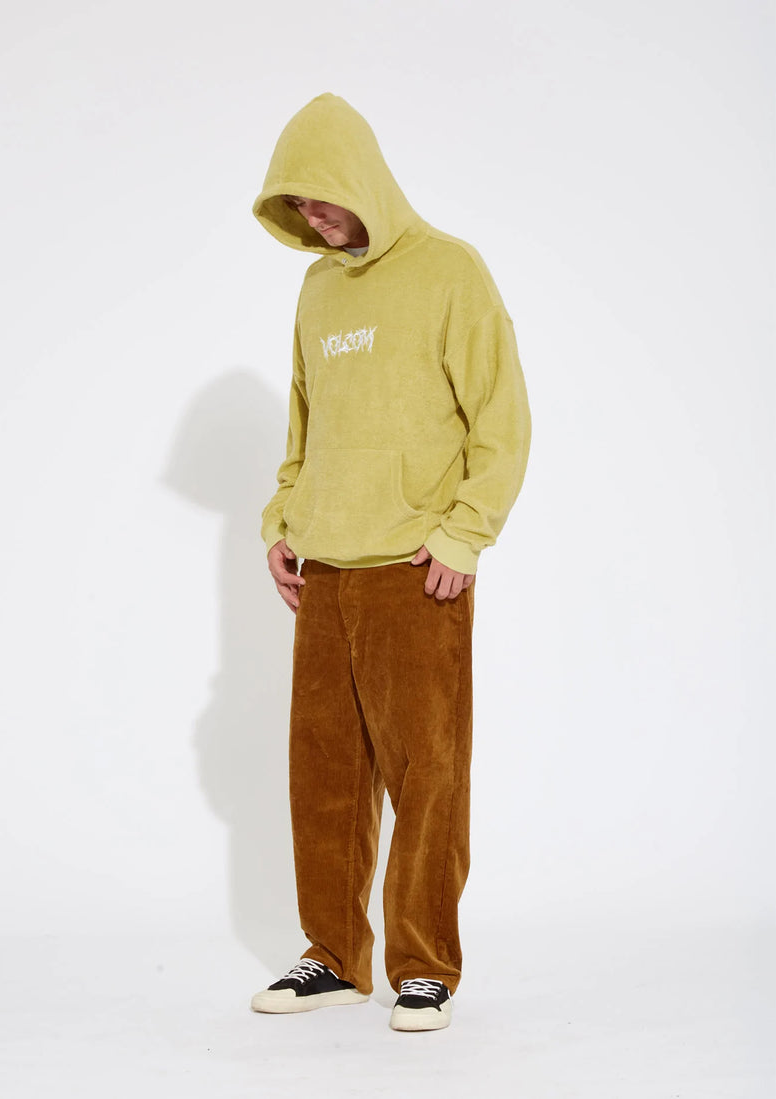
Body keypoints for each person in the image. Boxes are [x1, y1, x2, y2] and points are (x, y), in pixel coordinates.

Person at [249, 93, 531, 1032]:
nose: (311, 216)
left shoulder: (450, 270)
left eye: (319, 196)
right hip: (324, 571)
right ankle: (333, 955)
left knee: (426, 775)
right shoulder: (317, 288)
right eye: (294, 205)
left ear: (360, 177)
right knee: (324, 775)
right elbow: (304, 424)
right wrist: (281, 521)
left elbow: (500, 419)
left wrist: (464, 533)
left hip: (415, 569)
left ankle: (424, 965)